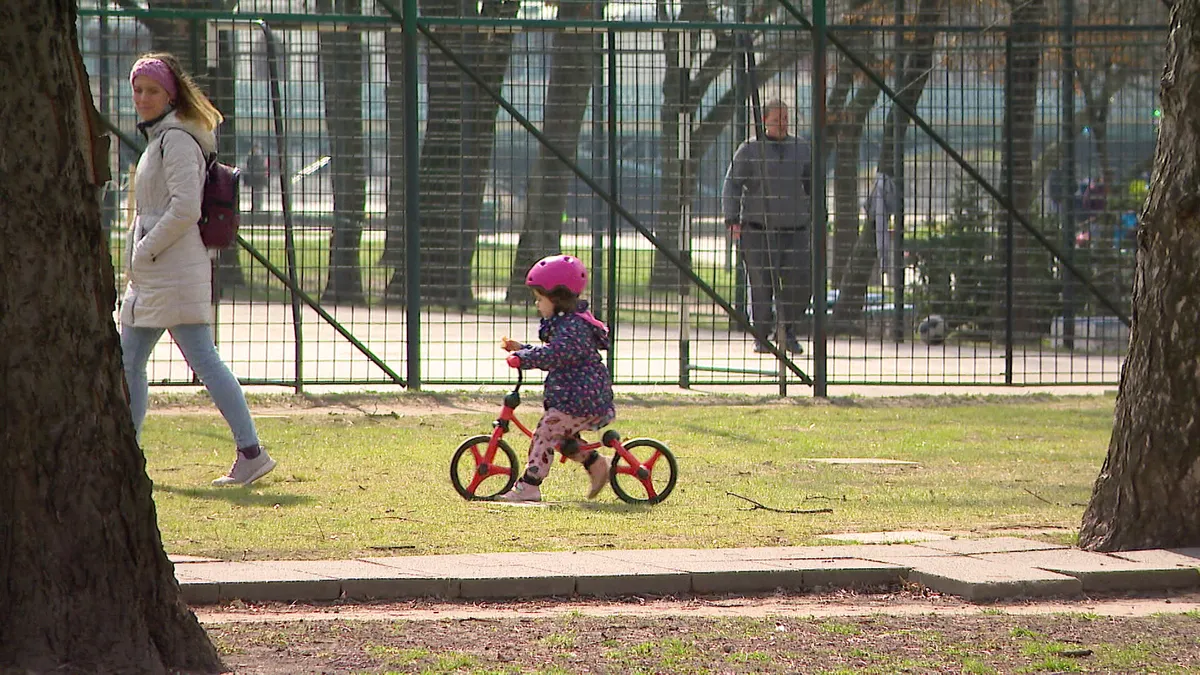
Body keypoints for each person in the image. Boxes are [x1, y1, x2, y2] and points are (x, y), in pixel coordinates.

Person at [122, 53, 276, 486]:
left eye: (152, 90)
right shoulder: (163, 138)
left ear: (171, 95)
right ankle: (127, 453)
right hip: (156, 273)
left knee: (201, 360)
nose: (143, 98)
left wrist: (144, 249)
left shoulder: (177, 141)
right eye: (138, 90)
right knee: (128, 360)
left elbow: (185, 209)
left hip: (171, 269)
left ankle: (251, 451)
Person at [496, 255, 615, 503]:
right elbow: (557, 353)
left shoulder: (573, 328)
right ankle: (597, 465)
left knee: (546, 431)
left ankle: (530, 485)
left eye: (540, 299)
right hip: (578, 397)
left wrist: (525, 358)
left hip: (583, 400)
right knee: (561, 439)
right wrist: (522, 349)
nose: (538, 305)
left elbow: (556, 354)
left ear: (557, 298)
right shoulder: (567, 325)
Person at [722, 99, 813, 355]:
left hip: (795, 228)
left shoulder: (802, 148)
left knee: (800, 282)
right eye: (777, 119)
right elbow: (732, 184)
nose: (783, 124)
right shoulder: (750, 149)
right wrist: (732, 219)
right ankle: (761, 335)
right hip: (758, 229)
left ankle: (787, 330)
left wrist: (817, 217)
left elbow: (812, 184)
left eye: (785, 118)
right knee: (761, 284)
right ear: (765, 121)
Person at [243, 141, 268, 218]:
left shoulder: (261, 157)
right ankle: (255, 207)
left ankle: (258, 207)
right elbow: (248, 166)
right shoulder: (252, 157)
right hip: (255, 177)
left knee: (259, 193)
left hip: (259, 177)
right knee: (255, 193)